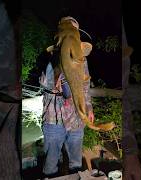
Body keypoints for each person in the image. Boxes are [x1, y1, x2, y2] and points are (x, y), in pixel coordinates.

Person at [39, 16, 94, 178]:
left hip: (76, 118)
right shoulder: (49, 56)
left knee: (76, 163)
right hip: (53, 119)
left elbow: (85, 86)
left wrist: (89, 108)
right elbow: (44, 83)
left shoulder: (82, 60)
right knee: (51, 163)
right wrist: (57, 69)